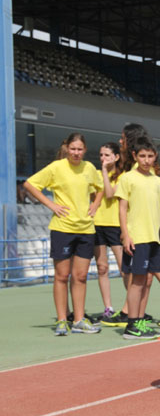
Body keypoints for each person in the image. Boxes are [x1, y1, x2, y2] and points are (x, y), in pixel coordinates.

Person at [101, 124, 160, 328]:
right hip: (137, 237)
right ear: (135, 155)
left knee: (146, 280)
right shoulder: (129, 177)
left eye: (150, 156)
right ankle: (133, 321)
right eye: (142, 156)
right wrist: (126, 235)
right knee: (138, 281)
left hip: (155, 238)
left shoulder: (157, 181)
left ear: (154, 156)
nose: (146, 160)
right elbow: (122, 208)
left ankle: (138, 320)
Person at [23, 132, 102, 335]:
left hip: (86, 229)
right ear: (66, 148)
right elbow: (30, 184)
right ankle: (61, 320)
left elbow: (100, 188)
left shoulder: (90, 168)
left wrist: (96, 204)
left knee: (81, 276)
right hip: (62, 229)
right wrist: (51, 204)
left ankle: (78, 319)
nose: (76, 153)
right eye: (73, 149)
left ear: (85, 150)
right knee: (62, 275)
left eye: (80, 149)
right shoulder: (56, 167)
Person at [91, 142, 126, 320]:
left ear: (116, 157)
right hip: (97, 225)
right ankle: (108, 307)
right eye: (101, 155)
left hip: (115, 225)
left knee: (124, 269)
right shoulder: (94, 175)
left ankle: (130, 308)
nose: (103, 159)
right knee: (102, 267)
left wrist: (105, 171)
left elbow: (110, 193)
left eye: (107, 155)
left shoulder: (123, 177)